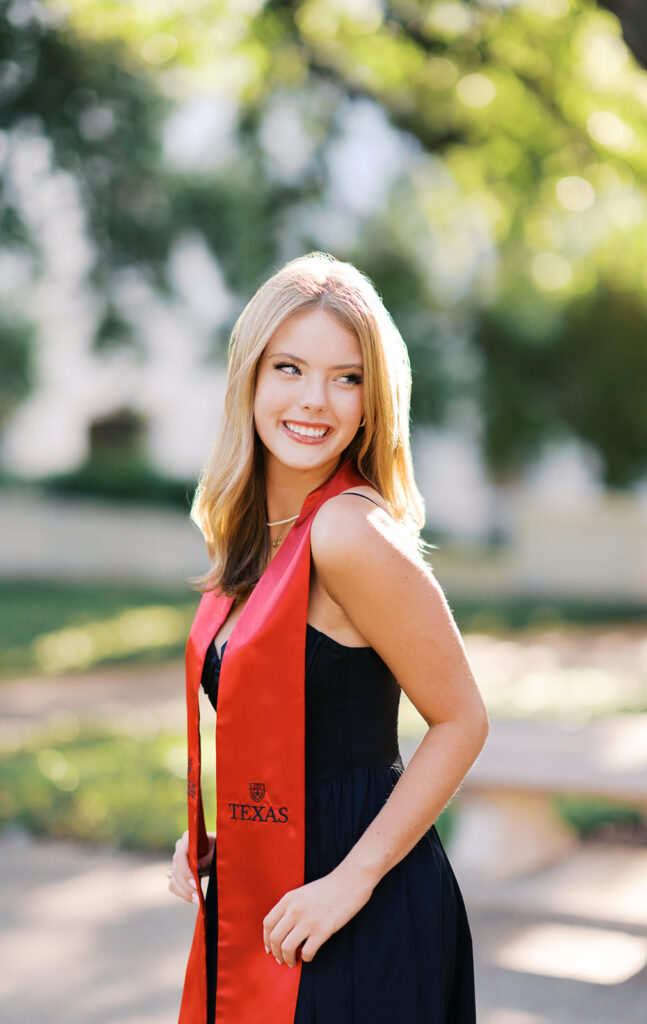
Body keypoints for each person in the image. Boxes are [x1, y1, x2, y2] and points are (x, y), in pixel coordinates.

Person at [167, 251, 490, 1023]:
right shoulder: (254, 540)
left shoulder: (349, 532)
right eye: (290, 368)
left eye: (347, 378)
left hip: (360, 901)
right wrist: (220, 837)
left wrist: (351, 881)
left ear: (372, 403)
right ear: (249, 376)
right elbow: (277, 725)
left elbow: (462, 720)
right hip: (270, 885)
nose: (317, 401)